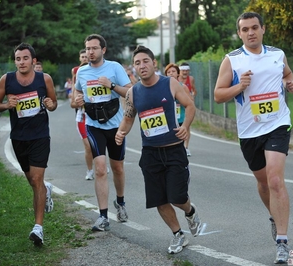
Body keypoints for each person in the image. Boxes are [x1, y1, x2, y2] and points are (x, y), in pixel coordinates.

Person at [214, 12, 293, 264]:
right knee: (263, 183)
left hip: (278, 124)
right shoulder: (232, 60)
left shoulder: (277, 54)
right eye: (245, 29)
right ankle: (275, 216)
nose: (250, 32)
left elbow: (287, 74)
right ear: (239, 33)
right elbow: (218, 95)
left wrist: (291, 82)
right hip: (250, 131)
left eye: (254, 27)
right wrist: (240, 87)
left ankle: (282, 241)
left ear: (263, 29)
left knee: (275, 179)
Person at [115, 45, 202, 254]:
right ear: (134, 68)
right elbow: (128, 118)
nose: (141, 66)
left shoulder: (170, 83)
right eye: (137, 63)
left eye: (145, 61)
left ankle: (190, 212)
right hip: (151, 153)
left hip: (173, 150)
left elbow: (190, 106)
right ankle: (177, 235)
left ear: (153, 63)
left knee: (177, 197)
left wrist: (185, 127)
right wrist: (120, 132)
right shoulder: (133, 93)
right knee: (159, 200)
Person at [0, 43, 57, 246]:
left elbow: (53, 103)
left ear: (33, 61)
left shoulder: (44, 79)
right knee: (32, 181)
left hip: (40, 137)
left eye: (25, 58)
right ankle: (46, 189)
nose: (21, 62)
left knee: (36, 179)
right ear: (15, 61)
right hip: (19, 138)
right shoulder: (7, 79)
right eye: (18, 59)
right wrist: (6, 105)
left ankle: (38, 228)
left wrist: (50, 104)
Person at [73, 34, 132, 230]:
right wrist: (78, 101)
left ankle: (121, 203)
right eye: (87, 48)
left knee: (118, 168)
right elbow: (76, 97)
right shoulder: (81, 72)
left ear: (103, 50)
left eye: (94, 48)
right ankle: (103, 216)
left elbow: (131, 92)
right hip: (93, 125)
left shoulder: (115, 68)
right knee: (99, 168)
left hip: (115, 125)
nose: (90, 52)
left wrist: (112, 85)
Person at [70, 49, 94, 180]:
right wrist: (79, 101)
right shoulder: (77, 82)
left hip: (96, 117)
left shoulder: (96, 83)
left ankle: (100, 164)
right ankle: (89, 171)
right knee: (88, 146)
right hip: (82, 117)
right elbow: (72, 104)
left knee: (98, 145)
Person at [178, 62, 196, 156]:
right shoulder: (176, 80)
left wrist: (192, 96)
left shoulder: (191, 79)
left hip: (186, 105)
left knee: (187, 126)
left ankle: (186, 147)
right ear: (180, 71)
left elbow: (194, 89)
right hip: (177, 105)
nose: (185, 72)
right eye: (183, 70)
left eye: (187, 70)